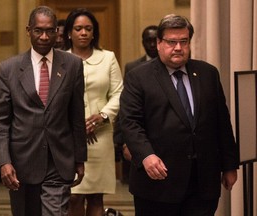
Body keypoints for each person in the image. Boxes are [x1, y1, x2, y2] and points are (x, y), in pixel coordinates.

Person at [119, 14, 239, 216]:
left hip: (202, 182)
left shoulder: (208, 73)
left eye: (184, 41)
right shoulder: (138, 77)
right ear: (158, 43)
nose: (178, 48)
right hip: (157, 182)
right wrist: (146, 155)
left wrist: (229, 165)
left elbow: (221, 121)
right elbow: (130, 123)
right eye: (171, 42)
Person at [0, 6, 87, 216]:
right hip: (21, 162)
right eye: (38, 30)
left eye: (50, 31)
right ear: (28, 30)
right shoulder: (8, 69)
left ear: (57, 32)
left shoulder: (72, 65)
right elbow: (0, 119)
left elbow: (76, 115)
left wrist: (80, 158)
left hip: (58, 159)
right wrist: (4, 161)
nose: (44, 36)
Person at [63, 8, 123, 216]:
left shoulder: (108, 58)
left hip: (100, 137)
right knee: (73, 195)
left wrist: (103, 116)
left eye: (88, 29)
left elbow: (118, 93)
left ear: (94, 32)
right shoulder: (59, 59)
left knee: (96, 195)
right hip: (69, 136)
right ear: (69, 32)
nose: (83, 33)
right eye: (78, 28)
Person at [114, 25, 158, 183]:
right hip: (140, 132)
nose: (152, 44)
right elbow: (126, 105)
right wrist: (121, 140)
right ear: (142, 42)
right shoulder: (133, 68)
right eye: (148, 41)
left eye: (155, 40)